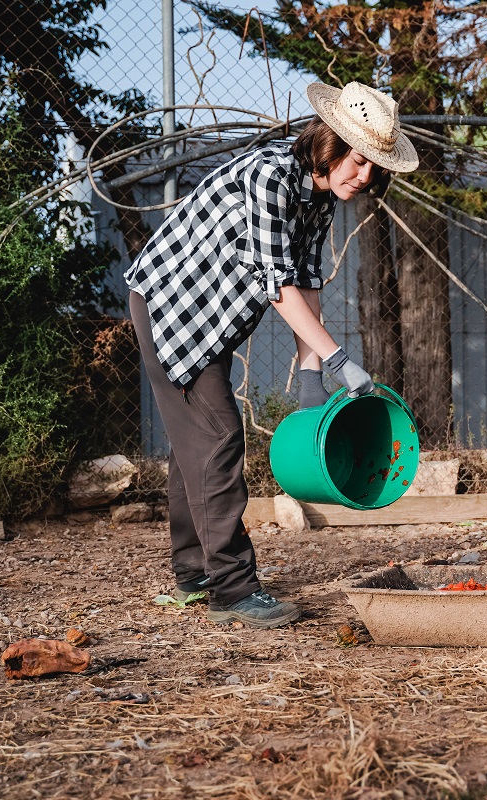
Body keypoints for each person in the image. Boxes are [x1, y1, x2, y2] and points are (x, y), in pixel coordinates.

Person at [126, 82, 418, 629]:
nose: (365, 177)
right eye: (359, 161)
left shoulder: (321, 198)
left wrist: (312, 377)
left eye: (375, 169)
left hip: (210, 319)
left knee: (197, 442)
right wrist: (338, 360)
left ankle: (194, 572)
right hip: (171, 307)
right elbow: (276, 283)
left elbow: (308, 284)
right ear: (329, 145)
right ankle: (232, 591)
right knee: (217, 436)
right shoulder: (269, 178)